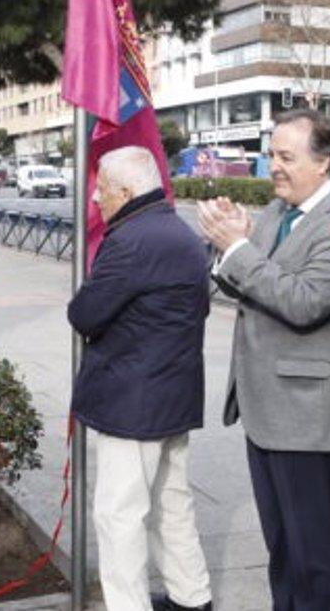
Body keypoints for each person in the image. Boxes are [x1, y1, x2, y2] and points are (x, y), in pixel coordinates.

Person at [195, 108, 330, 611]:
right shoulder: (278, 210)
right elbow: (247, 280)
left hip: (309, 415)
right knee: (284, 551)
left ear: (325, 162)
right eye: (271, 155)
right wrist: (225, 243)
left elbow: (305, 301)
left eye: (287, 156)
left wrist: (239, 248)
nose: (275, 166)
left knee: (318, 556)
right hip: (268, 408)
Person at [68, 147, 212, 611]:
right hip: (174, 394)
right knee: (172, 503)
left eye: (103, 189)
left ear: (128, 192)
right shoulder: (181, 233)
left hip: (132, 400)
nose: (95, 197)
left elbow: (86, 314)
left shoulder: (130, 239)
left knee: (119, 515)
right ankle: (193, 598)